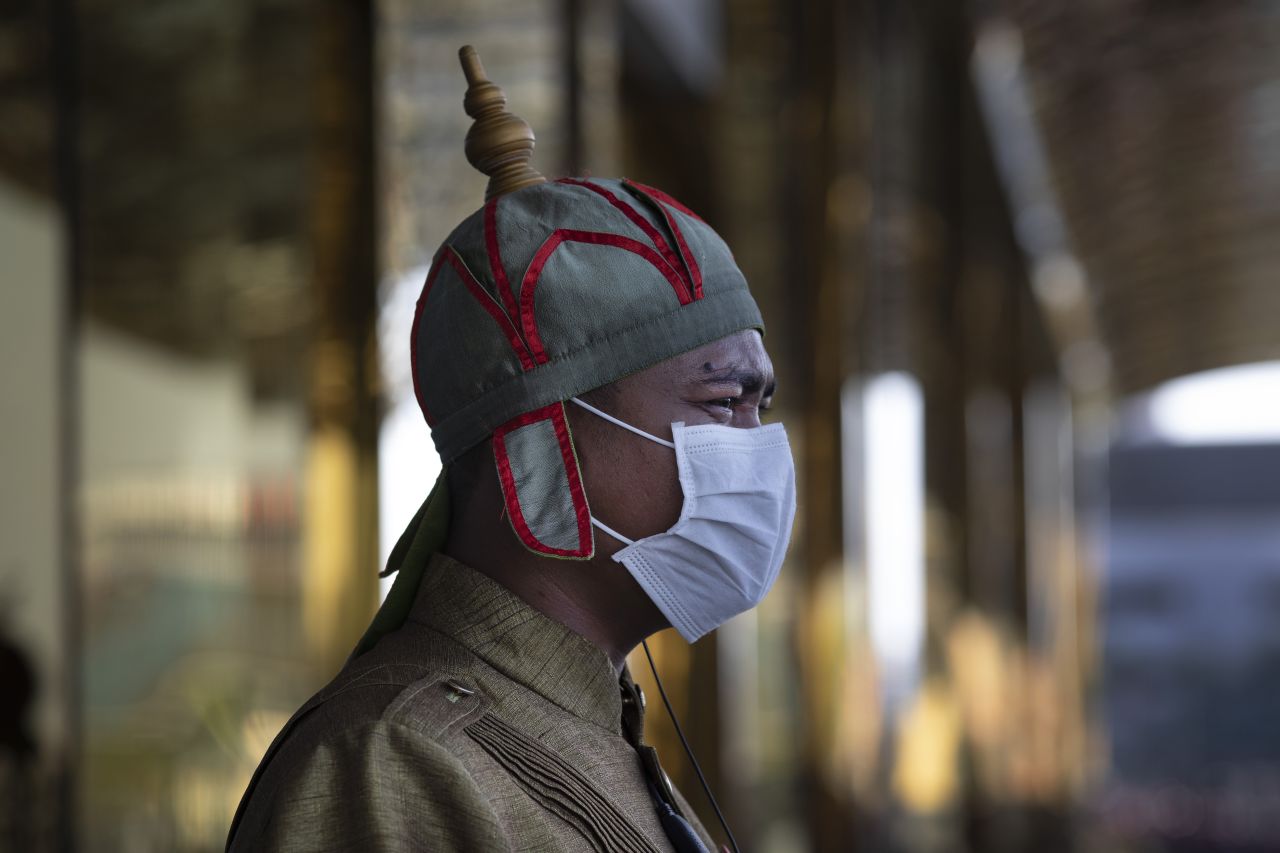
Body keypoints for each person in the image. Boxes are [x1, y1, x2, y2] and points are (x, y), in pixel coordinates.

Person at [226, 46, 795, 853]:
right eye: (722, 401)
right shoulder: (391, 762)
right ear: (544, 445)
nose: (758, 450)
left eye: (760, 402)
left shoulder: (596, 725)